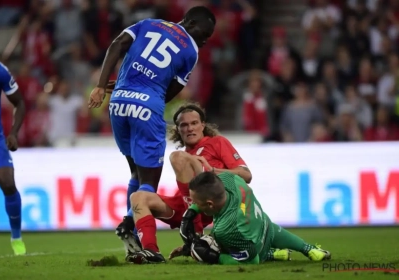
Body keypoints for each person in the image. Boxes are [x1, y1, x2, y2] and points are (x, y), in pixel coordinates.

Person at [115, 103, 287, 264]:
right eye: (184, 125)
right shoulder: (185, 154)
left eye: (194, 123)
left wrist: (212, 170)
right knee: (138, 197)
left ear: (203, 125)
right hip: (186, 204)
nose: (189, 128)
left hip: (215, 201)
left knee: (177, 157)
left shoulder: (218, 143)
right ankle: (151, 252)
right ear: (178, 130)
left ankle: (194, 234)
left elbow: (246, 175)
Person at [88, 6, 215, 211]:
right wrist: (147, 99)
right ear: (190, 23)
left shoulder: (148, 24)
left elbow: (117, 44)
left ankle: (130, 224)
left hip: (119, 102)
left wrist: (101, 86)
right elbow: (171, 90)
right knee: (149, 179)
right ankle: (131, 224)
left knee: (135, 173)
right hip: (148, 106)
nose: (206, 39)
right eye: (205, 33)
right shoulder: (191, 51)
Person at [179, 172, 332, 265]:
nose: (193, 204)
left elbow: (251, 260)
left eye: (195, 203)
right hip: (266, 225)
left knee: (231, 250)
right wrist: (192, 211)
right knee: (274, 231)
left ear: (210, 204)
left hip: (255, 247)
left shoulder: (225, 230)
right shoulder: (229, 179)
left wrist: (214, 257)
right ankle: (310, 249)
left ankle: (269, 254)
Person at [0, 62, 26, 255]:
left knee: (8, 184)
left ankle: (16, 237)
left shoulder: (1, 71)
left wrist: (14, 132)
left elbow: (20, 102)